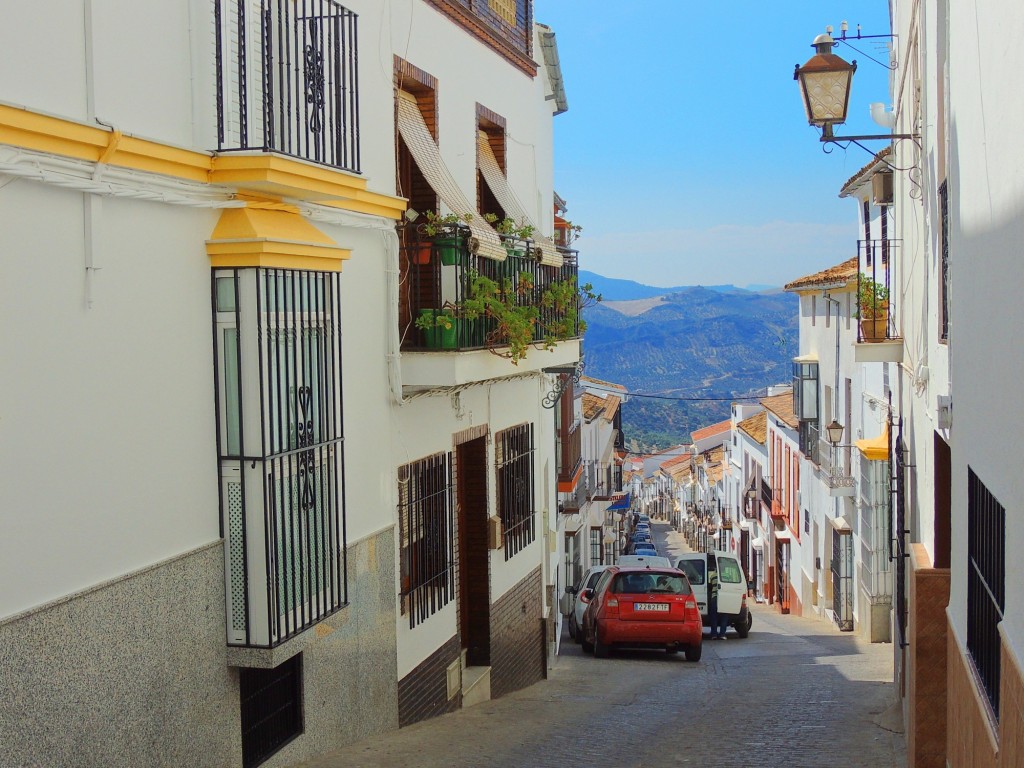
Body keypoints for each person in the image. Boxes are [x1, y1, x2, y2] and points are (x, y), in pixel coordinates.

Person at [707, 564, 730, 639]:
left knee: (714, 616)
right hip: (724, 598)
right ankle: (722, 634)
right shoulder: (727, 576)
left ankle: (714, 634)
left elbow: (710, 586)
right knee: (724, 616)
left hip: (714, 597)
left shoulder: (712, 576)